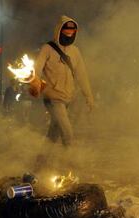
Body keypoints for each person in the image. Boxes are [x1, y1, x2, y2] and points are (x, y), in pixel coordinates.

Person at [33, 15, 94, 146]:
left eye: (71, 32)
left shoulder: (75, 51)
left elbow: (81, 75)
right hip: (52, 98)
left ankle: (39, 163)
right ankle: (69, 162)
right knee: (67, 133)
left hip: (67, 98)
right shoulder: (47, 48)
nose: (69, 35)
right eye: (66, 32)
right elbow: (37, 69)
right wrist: (35, 85)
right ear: (59, 31)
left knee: (53, 135)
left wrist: (89, 96)